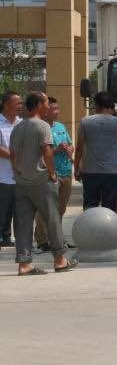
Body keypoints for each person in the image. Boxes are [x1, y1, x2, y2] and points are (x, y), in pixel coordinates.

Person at [10, 93, 77, 276]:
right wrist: (53, 174)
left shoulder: (18, 127)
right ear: (39, 105)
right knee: (52, 219)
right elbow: (47, 151)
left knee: (23, 223)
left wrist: (18, 173)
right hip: (41, 181)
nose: (49, 106)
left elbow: (13, 155)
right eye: (47, 103)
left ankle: (24, 264)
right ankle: (60, 260)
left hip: (22, 182)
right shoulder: (43, 126)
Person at [74, 92, 117, 211]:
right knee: (110, 207)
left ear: (96, 105)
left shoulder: (85, 121)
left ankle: (89, 223)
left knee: (90, 206)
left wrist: (76, 168)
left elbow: (79, 148)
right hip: (111, 171)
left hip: (90, 170)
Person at [33, 97, 74, 252]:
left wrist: (69, 148)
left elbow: (70, 144)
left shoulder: (61, 126)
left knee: (61, 209)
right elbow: (40, 152)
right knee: (46, 209)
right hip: (49, 173)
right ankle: (42, 240)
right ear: (45, 110)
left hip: (66, 172)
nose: (57, 111)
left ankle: (57, 238)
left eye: (58, 108)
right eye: (53, 109)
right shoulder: (40, 128)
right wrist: (57, 149)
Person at [0, 91, 22, 248]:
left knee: (17, 210)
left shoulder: (22, 123)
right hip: (3, 175)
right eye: (17, 103)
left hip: (20, 175)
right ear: (6, 104)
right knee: (3, 209)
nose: (20, 106)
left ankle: (8, 237)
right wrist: (16, 158)